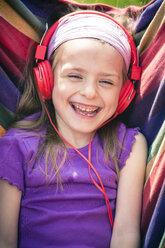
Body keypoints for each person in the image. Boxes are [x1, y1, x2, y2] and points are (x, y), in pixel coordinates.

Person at [0, 9, 147, 248]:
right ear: (45, 79)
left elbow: (126, 232)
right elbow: (4, 238)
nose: (89, 92)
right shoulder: (16, 144)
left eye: (106, 81)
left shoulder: (128, 146)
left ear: (125, 94)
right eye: (75, 76)